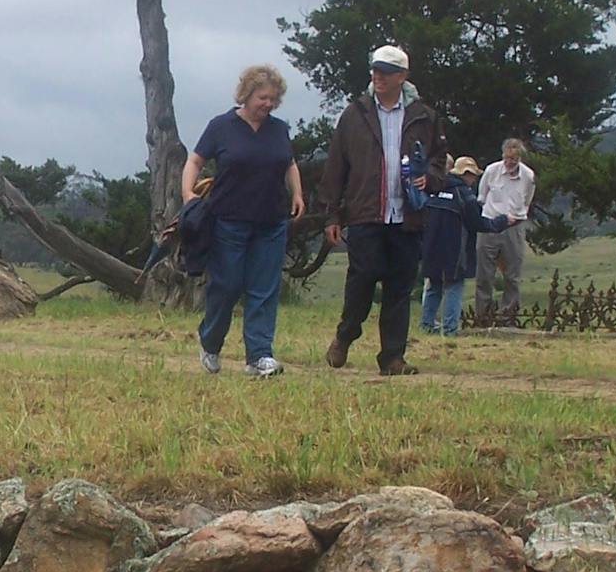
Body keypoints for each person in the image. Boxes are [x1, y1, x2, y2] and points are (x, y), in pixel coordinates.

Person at [320, 45, 448, 375]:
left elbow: (438, 160)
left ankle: (392, 357)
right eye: (374, 70)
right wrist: (332, 214)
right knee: (361, 280)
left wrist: (429, 179)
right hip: (365, 213)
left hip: (407, 216)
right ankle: (346, 334)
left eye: (385, 71)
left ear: (402, 77)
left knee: (400, 287)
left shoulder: (424, 116)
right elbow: (336, 166)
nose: (377, 76)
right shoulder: (355, 114)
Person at [183, 64, 305, 378]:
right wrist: (187, 193)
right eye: (263, 97)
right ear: (247, 95)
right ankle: (210, 342)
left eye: (273, 99)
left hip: (271, 221)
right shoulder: (220, 126)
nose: (268, 104)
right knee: (226, 286)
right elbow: (195, 159)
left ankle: (259, 356)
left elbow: (289, 163)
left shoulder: (278, 129)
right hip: (228, 221)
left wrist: (297, 194)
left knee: (264, 289)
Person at [420, 156, 517, 336]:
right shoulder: (464, 195)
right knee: (454, 287)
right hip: (455, 249)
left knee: (434, 285)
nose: (474, 179)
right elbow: (477, 223)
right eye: (473, 175)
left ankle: (426, 325)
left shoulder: (435, 189)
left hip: (431, 248)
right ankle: (450, 329)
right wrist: (502, 221)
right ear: (466, 174)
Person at [474, 138, 536, 324]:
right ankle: (483, 316)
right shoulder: (492, 171)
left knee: (512, 275)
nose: (509, 162)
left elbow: (527, 201)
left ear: (520, 159)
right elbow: (482, 196)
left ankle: (507, 316)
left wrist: (514, 216)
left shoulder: (528, 176)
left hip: (514, 226)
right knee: (484, 273)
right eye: (507, 158)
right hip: (490, 224)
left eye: (514, 159)